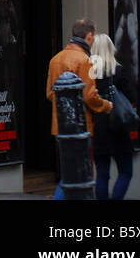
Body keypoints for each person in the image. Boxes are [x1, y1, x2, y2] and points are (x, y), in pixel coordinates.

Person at [46, 18, 113, 199]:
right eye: (93, 37)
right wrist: (106, 105)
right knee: (78, 175)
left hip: (60, 126)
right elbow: (89, 96)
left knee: (69, 173)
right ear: (89, 36)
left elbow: (50, 93)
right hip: (81, 127)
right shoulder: (86, 60)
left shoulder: (55, 60)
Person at [91, 32, 135, 200]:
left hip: (98, 127)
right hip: (117, 126)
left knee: (102, 174)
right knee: (125, 171)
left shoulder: (90, 74)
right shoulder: (118, 71)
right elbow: (131, 96)